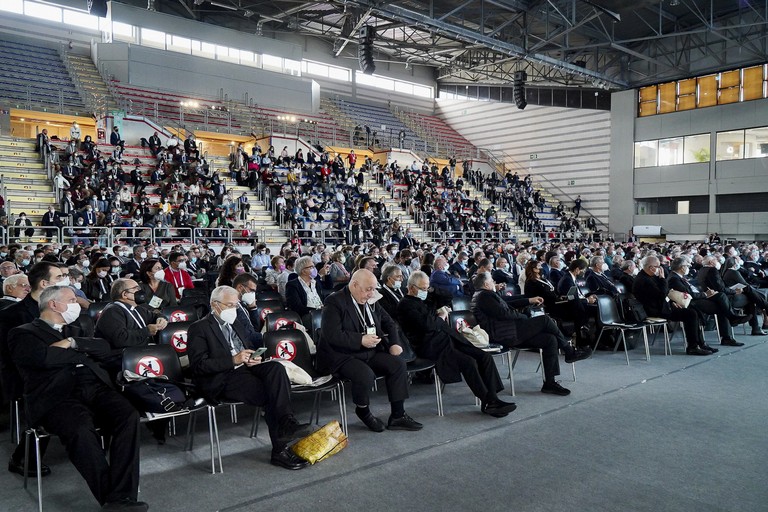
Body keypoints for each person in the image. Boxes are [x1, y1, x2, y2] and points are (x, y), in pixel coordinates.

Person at [8, 285, 147, 511]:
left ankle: (121, 496)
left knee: (128, 415)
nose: (77, 304)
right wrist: (81, 352)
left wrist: (73, 343)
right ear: (54, 304)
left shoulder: (77, 328)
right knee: (80, 429)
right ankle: (116, 501)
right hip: (57, 396)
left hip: (94, 388)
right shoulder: (23, 333)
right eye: (72, 300)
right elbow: (44, 358)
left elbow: (104, 347)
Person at [186, 286, 310, 470]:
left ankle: (286, 423)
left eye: (236, 305)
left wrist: (254, 358)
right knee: (271, 393)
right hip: (221, 377)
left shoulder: (235, 322)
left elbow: (248, 346)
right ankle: (280, 447)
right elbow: (198, 366)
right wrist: (232, 360)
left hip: (245, 368)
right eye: (229, 305)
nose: (233, 309)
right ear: (214, 305)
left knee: (275, 369)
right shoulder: (199, 328)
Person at [397, 271, 516, 417]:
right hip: (431, 346)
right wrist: (440, 317)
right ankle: (488, 401)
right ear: (411, 287)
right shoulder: (405, 305)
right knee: (469, 362)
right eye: (422, 288)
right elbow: (428, 325)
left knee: (484, 356)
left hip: (449, 338)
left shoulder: (426, 298)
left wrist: (432, 289)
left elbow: (447, 296)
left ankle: (493, 398)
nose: (425, 291)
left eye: (426, 288)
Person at [318, 269, 422, 432]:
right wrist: (360, 339)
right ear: (354, 285)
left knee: (398, 364)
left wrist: (395, 343)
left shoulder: (371, 299)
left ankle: (398, 415)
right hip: (341, 355)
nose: (371, 293)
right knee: (365, 375)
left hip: (368, 350)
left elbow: (390, 323)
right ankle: (363, 410)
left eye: (374, 289)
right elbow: (332, 335)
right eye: (368, 289)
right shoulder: (334, 301)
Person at [470, 272, 591, 396]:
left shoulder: (485, 295)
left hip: (510, 331)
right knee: (545, 320)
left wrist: (528, 300)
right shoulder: (484, 296)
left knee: (550, 340)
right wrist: (524, 317)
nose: (494, 283)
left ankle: (550, 383)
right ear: (486, 284)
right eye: (491, 281)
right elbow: (504, 314)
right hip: (506, 334)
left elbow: (508, 303)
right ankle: (569, 351)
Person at [633, 256, 715, 355]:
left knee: (692, 309)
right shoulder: (643, 280)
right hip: (653, 310)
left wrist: (672, 302)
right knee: (690, 314)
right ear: (651, 268)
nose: (661, 268)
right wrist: (663, 279)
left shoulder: (651, 276)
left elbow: (665, 293)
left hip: (661, 305)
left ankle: (700, 343)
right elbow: (662, 294)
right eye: (658, 266)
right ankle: (693, 346)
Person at [667, 257, 744, 347]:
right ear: (682, 267)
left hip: (698, 297)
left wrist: (706, 294)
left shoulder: (679, 277)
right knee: (722, 306)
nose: (689, 267)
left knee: (721, 297)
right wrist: (705, 294)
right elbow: (689, 295)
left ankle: (731, 323)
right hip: (692, 302)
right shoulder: (674, 279)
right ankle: (729, 329)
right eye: (687, 266)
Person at [697, 256, 766, 335]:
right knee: (749, 296)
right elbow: (720, 288)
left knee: (749, 293)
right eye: (716, 259)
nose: (718, 261)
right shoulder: (712, 270)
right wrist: (734, 291)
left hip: (716, 295)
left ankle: (757, 324)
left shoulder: (702, 270)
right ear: (711, 262)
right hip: (722, 297)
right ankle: (757, 325)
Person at [285, 256, 326, 326]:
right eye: (311, 267)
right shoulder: (292, 285)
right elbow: (297, 307)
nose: (314, 269)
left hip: (321, 313)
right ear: (303, 271)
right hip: (307, 315)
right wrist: (315, 310)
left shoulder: (315, 283)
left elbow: (325, 293)